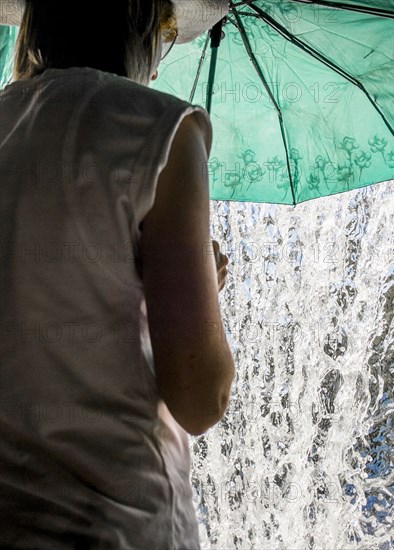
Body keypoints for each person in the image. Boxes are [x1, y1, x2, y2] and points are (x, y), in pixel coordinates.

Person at [0, 0, 235, 547]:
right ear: (143, 29)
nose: (157, 66)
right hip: (118, 525)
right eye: (167, 34)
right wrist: (205, 293)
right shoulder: (165, 129)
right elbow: (200, 398)